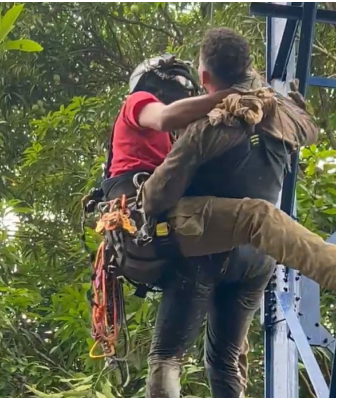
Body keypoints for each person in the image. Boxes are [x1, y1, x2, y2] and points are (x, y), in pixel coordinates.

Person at [138, 28, 326, 397]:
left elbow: (158, 198)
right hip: (257, 259)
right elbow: (310, 130)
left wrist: (142, 194)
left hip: (204, 253)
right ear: (248, 65)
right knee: (225, 357)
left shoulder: (207, 127)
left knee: (167, 355)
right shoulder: (283, 111)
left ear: (204, 77)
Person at [98, 52, 334, 291]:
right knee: (257, 217)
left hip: (162, 223)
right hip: (141, 219)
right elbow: (164, 117)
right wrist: (231, 94)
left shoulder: (179, 138)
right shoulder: (138, 101)